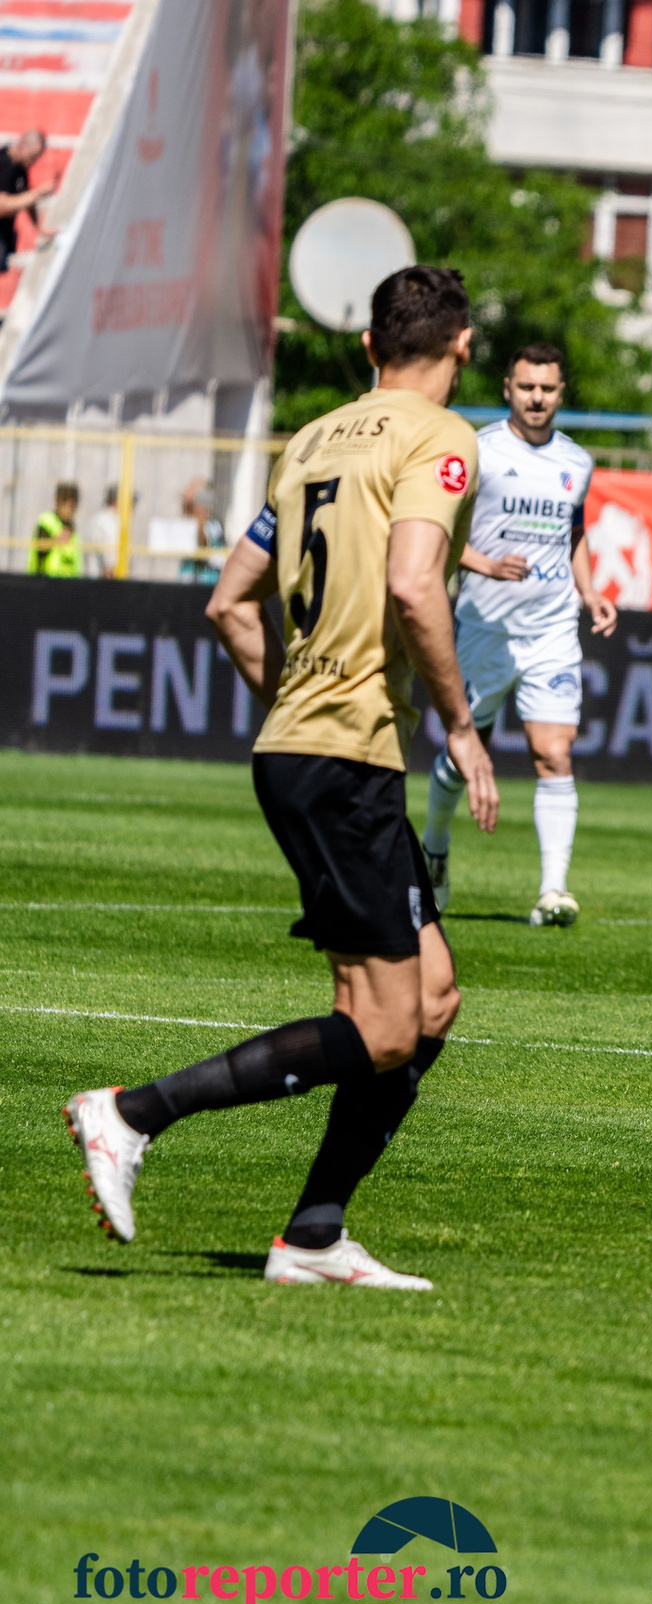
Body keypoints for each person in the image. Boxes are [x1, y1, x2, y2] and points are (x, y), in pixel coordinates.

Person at [61, 265, 497, 1290]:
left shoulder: (313, 440)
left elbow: (227, 603)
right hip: (343, 754)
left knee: (431, 1001)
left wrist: (294, 705)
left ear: (367, 347)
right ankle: (130, 1114)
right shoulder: (441, 439)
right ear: (464, 345)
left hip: (314, 744)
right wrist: (462, 727)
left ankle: (313, 1237)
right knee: (383, 1026)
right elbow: (412, 580)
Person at [421, 342, 610, 927]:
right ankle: (433, 848)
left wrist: (589, 589)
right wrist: (484, 565)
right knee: (461, 757)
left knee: (554, 753)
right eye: (527, 387)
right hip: (484, 628)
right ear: (508, 387)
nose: (537, 398)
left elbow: (572, 533)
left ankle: (553, 890)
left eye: (548, 389)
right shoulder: (476, 452)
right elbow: (440, 531)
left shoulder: (577, 463)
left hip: (552, 630)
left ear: (560, 393)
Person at [0, 129, 50, 269]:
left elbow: (25, 194)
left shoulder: (20, 169)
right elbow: (2, 206)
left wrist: (40, 228)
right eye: (33, 156)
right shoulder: (4, 164)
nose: (34, 161)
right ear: (22, 145)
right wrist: (38, 193)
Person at [32, 480, 80, 577]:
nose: (70, 507)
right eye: (65, 501)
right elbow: (40, 550)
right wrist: (55, 541)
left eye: (73, 503)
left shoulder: (72, 527)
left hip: (70, 587)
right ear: (57, 501)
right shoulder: (47, 521)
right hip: (45, 585)